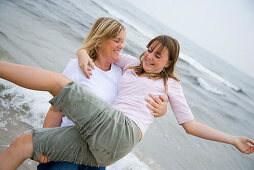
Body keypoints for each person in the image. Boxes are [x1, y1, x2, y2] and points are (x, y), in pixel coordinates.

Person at [0, 35, 254, 170]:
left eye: (158, 55)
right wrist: (80, 53)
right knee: (24, 143)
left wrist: (232, 140)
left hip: (123, 130)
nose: (149, 57)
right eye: (148, 50)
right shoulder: (132, 64)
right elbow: (101, 51)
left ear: (169, 63)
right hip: (107, 149)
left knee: (58, 83)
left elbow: (190, 125)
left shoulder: (171, 85)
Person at [37, 17, 167, 170]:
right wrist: (44, 143)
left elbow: (137, 102)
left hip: (97, 157)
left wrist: (162, 110)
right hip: (67, 147)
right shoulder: (78, 66)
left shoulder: (123, 74)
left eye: (123, 41)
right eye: (117, 41)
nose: (121, 46)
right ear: (100, 41)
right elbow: (56, 111)